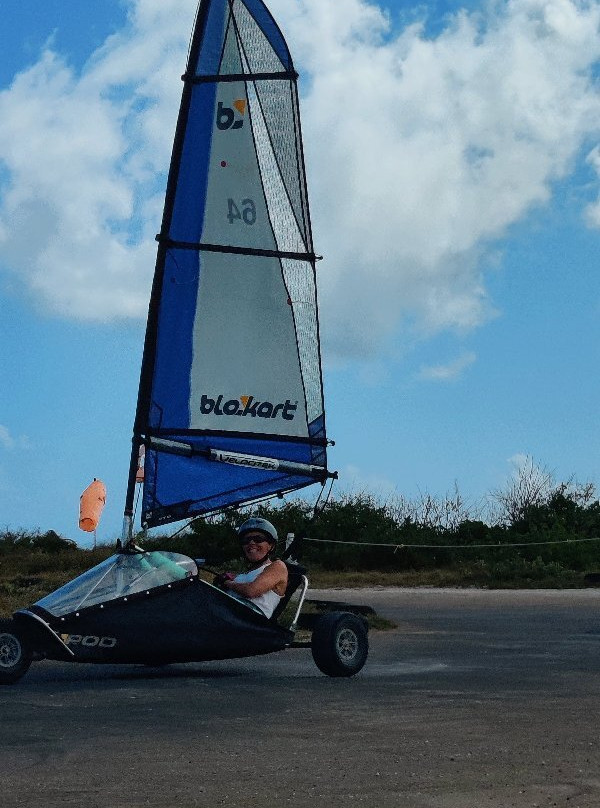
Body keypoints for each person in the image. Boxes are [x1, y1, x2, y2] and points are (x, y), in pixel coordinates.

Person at [217, 518, 288, 619]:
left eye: (258, 539)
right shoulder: (245, 573)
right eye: (246, 540)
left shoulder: (278, 566)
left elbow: (251, 591)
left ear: (271, 546)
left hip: (249, 624)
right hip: (227, 615)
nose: (251, 543)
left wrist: (227, 582)